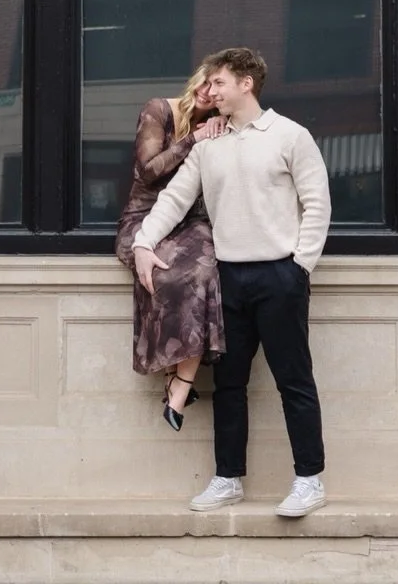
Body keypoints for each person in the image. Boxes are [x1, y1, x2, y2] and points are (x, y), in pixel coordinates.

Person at [133, 46, 332, 518]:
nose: (210, 91)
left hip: (280, 276)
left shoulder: (290, 135)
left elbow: (317, 203)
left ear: (246, 83)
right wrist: (143, 242)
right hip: (227, 277)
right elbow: (174, 199)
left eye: (219, 82)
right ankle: (227, 479)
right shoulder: (208, 144)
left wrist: (300, 266)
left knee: (294, 381)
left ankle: (309, 480)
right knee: (229, 385)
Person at [114, 62, 227, 429]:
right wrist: (192, 140)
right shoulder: (159, 110)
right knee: (163, 273)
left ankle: (182, 384)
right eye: (205, 82)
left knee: (205, 270)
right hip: (144, 218)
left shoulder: (219, 125)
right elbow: (147, 171)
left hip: (191, 221)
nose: (208, 92)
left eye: (216, 87)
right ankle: (171, 374)